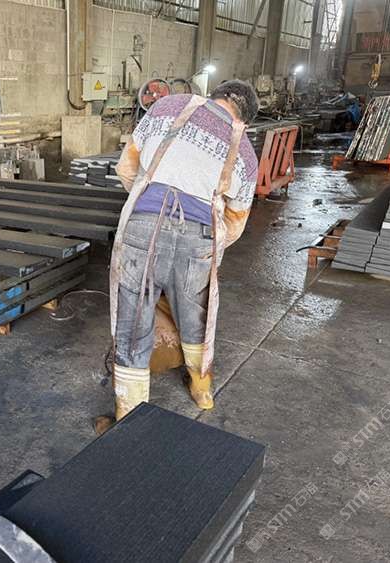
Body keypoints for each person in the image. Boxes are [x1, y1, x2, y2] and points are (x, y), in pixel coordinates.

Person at [104, 80, 260, 426]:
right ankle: (202, 390)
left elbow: (127, 168)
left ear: (214, 95)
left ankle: (128, 414)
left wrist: (148, 207)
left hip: (144, 226)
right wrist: (204, 246)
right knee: (196, 316)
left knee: (134, 319)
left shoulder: (166, 107)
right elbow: (235, 221)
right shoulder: (246, 152)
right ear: (244, 119)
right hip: (199, 238)